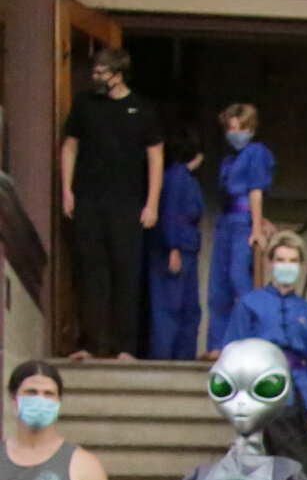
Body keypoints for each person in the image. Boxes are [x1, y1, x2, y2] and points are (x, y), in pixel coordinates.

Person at [58, 47, 163, 360]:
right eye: (96, 70)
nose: (95, 76)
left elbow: (156, 156)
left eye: (102, 72)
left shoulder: (142, 109)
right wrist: (66, 189)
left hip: (128, 204)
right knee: (91, 272)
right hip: (88, 200)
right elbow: (70, 147)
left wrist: (152, 203)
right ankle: (91, 344)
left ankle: (125, 347)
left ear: (118, 75)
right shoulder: (85, 104)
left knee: (126, 273)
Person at [220, 231, 307, 480]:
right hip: (263, 392)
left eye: (293, 261)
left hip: (301, 394)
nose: (286, 266)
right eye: (280, 260)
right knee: (285, 463)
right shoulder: (249, 303)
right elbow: (232, 354)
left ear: (301, 266)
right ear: (270, 263)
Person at [207, 103, 275, 355]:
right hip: (225, 221)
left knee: (240, 279)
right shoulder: (228, 158)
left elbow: (255, 191)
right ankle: (217, 345)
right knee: (218, 287)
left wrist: (256, 226)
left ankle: (250, 338)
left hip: (243, 223)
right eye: (231, 128)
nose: (234, 133)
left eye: (240, 128)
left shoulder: (257, 152)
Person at [145, 131, 205, 361]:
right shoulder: (177, 177)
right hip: (176, 248)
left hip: (187, 247)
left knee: (188, 309)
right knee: (168, 308)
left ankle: (182, 357)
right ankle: (164, 360)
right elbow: (170, 214)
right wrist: (173, 247)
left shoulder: (182, 177)